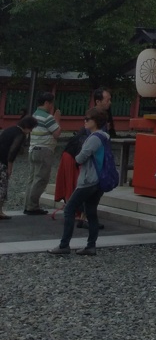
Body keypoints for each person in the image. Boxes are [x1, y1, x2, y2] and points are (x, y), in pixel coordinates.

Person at [49, 110, 109, 257]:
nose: (85, 121)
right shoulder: (105, 137)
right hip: (99, 180)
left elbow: (80, 158)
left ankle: (64, 245)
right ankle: (90, 246)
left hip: (88, 180)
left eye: (88, 119)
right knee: (91, 212)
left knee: (69, 209)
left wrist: (79, 156)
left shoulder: (94, 138)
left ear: (96, 121)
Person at [24, 91, 62, 215]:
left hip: (33, 149)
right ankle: (33, 206)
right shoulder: (48, 117)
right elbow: (56, 134)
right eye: (51, 103)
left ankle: (28, 204)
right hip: (44, 150)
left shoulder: (34, 115)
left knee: (32, 178)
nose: (52, 106)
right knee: (41, 178)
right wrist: (57, 119)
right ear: (46, 103)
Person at [0, 115, 34, 220]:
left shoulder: (10, 129)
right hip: (2, 162)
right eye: (31, 128)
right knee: (2, 186)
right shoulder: (20, 135)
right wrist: (10, 167)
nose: (30, 131)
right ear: (28, 127)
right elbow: (12, 152)